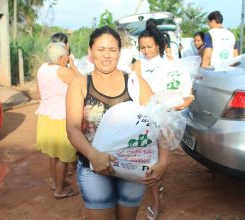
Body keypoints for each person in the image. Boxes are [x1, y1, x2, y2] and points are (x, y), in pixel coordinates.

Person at [66, 25, 168, 220]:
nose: (107, 55)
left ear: (120, 52)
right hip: (92, 168)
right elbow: (72, 128)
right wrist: (93, 155)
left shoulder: (134, 82)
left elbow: (159, 120)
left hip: (132, 167)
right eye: (101, 49)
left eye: (112, 50)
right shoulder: (80, 84)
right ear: (90, 52)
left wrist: (164, 160)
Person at [132, 25, 194, 220]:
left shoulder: (171, 64)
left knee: (162, 158)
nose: (145, 51)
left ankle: (158, 184)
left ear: (158, 45)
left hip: (166, 117)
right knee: (150, 159)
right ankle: (155, 203)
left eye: (149, 46)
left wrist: (185, 100)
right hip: (145, 118)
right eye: (142, 47)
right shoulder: (138, 65)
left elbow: (183, 89)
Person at [36, 42, 79, 199]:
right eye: (67, 55)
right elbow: (82, 82)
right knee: (63, 155)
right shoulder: (63, 71)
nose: (69, 57)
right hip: (61, 116)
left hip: (46, 114)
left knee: (53, 154)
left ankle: (56, 183)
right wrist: (73, 66)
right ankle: (60, 191)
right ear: (62, 57)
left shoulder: (42, 68)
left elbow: (39, 92)